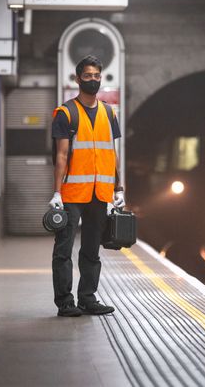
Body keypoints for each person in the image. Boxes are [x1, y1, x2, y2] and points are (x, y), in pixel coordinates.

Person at [49, 55, 125, 317]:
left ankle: (87, 298)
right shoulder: (65, 113)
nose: (93, 80)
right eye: (88, 75)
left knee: (92, 249)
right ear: (77, 78)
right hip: (71, 193)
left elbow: (111, 154)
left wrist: (118, 189)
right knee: (64, 249)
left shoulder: (108, 112)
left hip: (99, 193)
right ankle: (65, 302)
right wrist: (57, 192)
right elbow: (61, 156)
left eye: (96, 75)